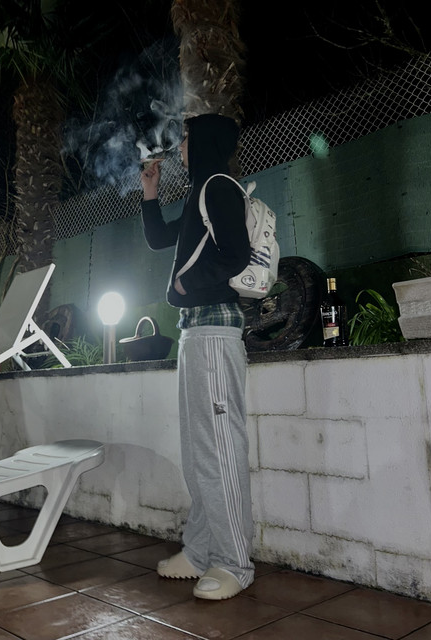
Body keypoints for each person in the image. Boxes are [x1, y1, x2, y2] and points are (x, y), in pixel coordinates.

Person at [140, 113, 254, 600]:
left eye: (187, 137)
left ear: (204, 141)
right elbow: (159, 238)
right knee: (197, 450)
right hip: (195, 331)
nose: (181, 146)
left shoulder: (219, 186)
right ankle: (202, 550)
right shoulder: (200, 193)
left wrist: (188, 282)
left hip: (214, 331)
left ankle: (234, 563)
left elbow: (236, 253)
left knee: (218, 449)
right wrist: (150, 193)